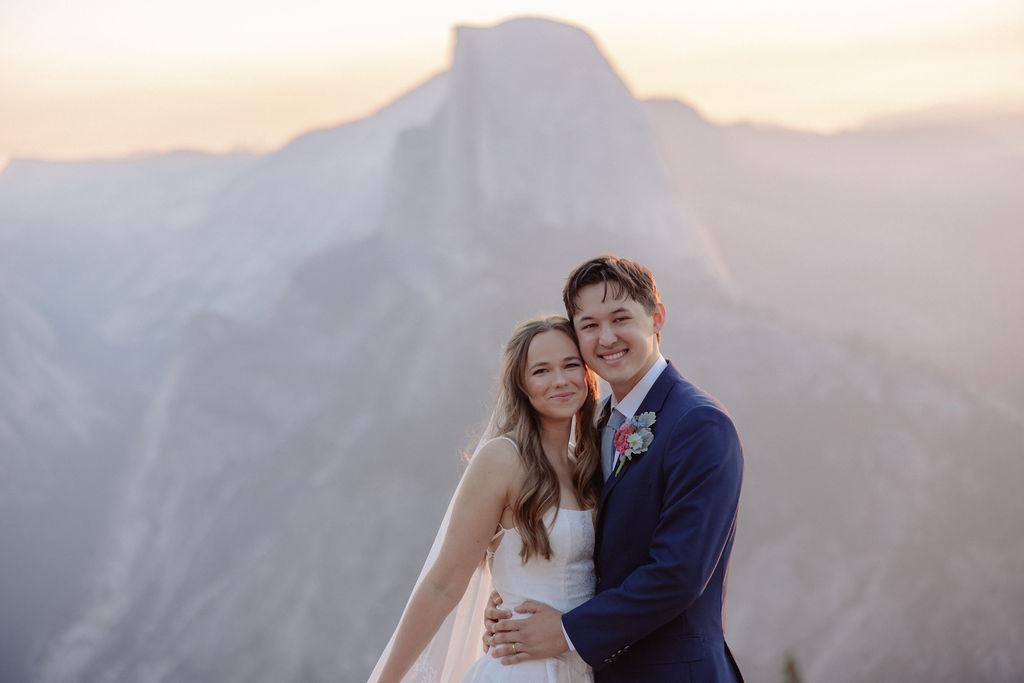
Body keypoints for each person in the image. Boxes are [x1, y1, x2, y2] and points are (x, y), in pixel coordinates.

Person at [485, 255, 745, 682]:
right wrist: (517, 607)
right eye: (588, 325)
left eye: (620, 318)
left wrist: (565, 632)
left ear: (657, 318)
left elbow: (679, 573)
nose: (606, 338)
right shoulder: (600, 421)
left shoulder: (699, 424)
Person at [369, 315, 602, 682]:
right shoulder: (503, 459)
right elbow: (443, 585)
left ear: (588, 375)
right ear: (521, 385)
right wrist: (389, 679)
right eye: (541, 370)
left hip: (584, 668)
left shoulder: (588, 467)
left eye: (571, 365)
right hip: (522, 672)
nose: (560, 380)